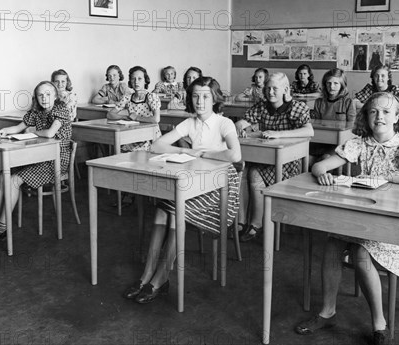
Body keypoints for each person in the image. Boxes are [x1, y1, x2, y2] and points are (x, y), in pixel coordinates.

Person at [294, 92, 399, 345]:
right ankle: (327, 312)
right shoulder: (359, 143)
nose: (379, 116)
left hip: (395, 226)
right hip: (363, 218)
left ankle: (379, 324)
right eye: (373, 111)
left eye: (385, 111)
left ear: (396, 116)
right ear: (366, 116)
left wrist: (390, 178)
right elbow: (319, 166)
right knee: (331, 244)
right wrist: (322, 174)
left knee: (360, 252)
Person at [122, 76, 241, 304]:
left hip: (222, 188)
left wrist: (203, 153)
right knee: (162, 208)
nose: (200, 101)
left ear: (215, 99)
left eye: (205, 96)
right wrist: (183, 152)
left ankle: (161, 277)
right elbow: (156, 145)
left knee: (176, 208)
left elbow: (235, 155)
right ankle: (146, 275)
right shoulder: (190, 123)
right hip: (195, 182)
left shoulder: (223, 123)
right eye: (195, 96)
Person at [0, 81, 72, 246]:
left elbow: (50, 133)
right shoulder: (36, 111)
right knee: (2, 176)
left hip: (55, 160)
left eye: (47, 94)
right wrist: (4, 132)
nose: (44, 98)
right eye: (40, 95)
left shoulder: (60, 110)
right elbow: (18, 127)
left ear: (55, 95)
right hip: (37, 157)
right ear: (36, 98)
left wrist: (33, 131)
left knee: (14, 180)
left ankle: (1, 228)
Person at [235, 72, 314, 242]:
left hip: (289, 163)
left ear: (285, 89)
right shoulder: (262, 106)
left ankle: (256, 223)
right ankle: (241, 222)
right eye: (268, 88)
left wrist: (279, 134)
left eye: (274, 89)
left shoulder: (297, 107)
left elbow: (309, 131)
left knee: (254, 172)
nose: (270, 92)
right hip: (265, 157)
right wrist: (240, 126)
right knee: (240, 169)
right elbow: (243, 122)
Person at [108, 66, 161, 152]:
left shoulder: (151, 97)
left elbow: (156, 119)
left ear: (145, 81)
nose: (136, 82)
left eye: (140, 79)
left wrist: (136, 118)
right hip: (133, 136)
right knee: (119, 147)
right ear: (130, 82)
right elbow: (110, 114)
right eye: (133, 79)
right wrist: (125, 117)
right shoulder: (127, 97)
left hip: (150, 137)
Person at [309, 68, 357, 161]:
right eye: (329, 83)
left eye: (336, 83)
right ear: (325, 84)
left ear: (342, 85)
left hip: (340, 143)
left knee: (325, 158)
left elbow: (352, 127)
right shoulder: (319, 102)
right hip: (321, 141)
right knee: (306, 158)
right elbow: (316, 124)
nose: (332, 86)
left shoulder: (348, 102)